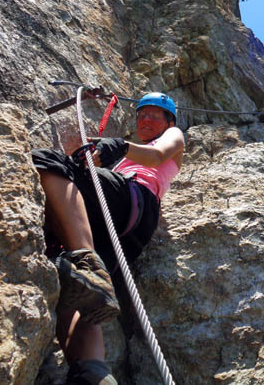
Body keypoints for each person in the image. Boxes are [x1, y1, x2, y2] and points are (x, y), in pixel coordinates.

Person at [32, 92, 184, 384]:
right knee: (73, 288)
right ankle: (93, 371)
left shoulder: (173, 135)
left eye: (154, 114)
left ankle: (86, 261)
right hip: (126, 225)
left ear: (169, 120)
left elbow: (156, 156)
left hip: (135, 200)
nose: (145, 119)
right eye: (141, 114)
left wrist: (120, 146)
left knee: (47, 160)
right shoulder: (122, 162)